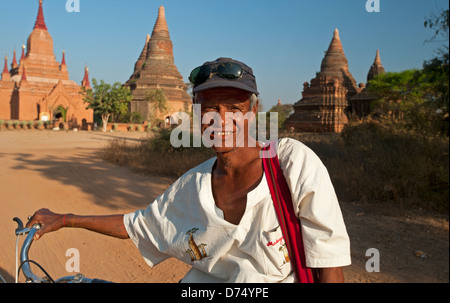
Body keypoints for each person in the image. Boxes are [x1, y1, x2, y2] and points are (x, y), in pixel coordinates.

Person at [27, 57, 351, 283]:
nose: (220, 120)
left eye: (234, 109)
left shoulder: (291, 163)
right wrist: (67, 220)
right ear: (196, 115)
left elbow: (329, 262)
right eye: (210, 109)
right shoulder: (192, 185)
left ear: (253, 112)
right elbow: (138, 225)